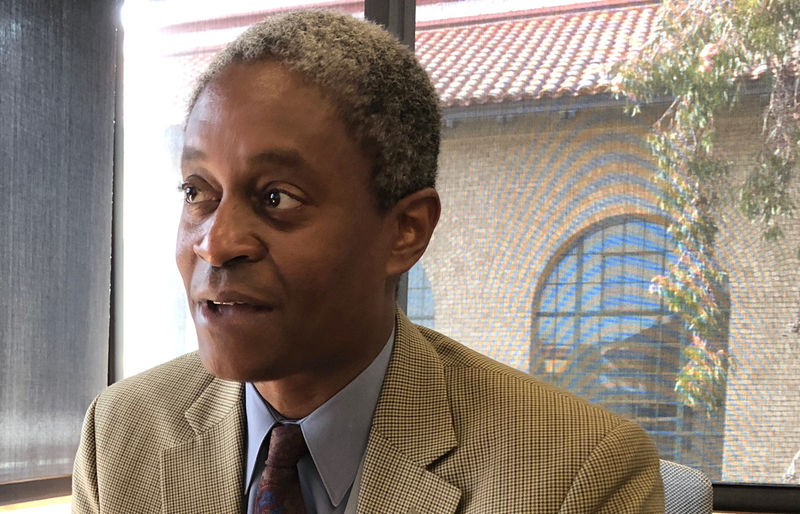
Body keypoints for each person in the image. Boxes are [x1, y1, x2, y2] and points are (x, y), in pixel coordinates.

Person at [72, 9, 664, 514]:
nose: (216, 243)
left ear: (405, 231)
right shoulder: (122, 439)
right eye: (198, 192)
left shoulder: (575, 473)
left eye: (276, 198)